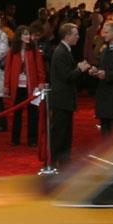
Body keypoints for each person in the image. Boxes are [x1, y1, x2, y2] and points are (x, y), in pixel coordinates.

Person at [47, 23, 90, 168]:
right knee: (59, 134)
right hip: (61, 100)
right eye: (75, 34)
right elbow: (66, 76)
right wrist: (80, 69)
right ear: (67, 36)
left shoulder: (64, 50)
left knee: (64, 133)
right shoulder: (61, 52)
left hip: (64, 99)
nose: (78, 37)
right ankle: (54, 163)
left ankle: (63, 162)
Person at [5, 25, 45, 149]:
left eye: (28, 34)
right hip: (17, 86)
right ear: (19, 36)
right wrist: (6, 85)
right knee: (16, 113)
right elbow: (8, 69)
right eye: (25, 34)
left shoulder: (34, 50)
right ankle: (15, 138)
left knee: (33, 113)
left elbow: (40, 68)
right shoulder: (13, 51)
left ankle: (32, 139)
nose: (28, 36)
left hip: (31, 86)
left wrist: (41, 82)